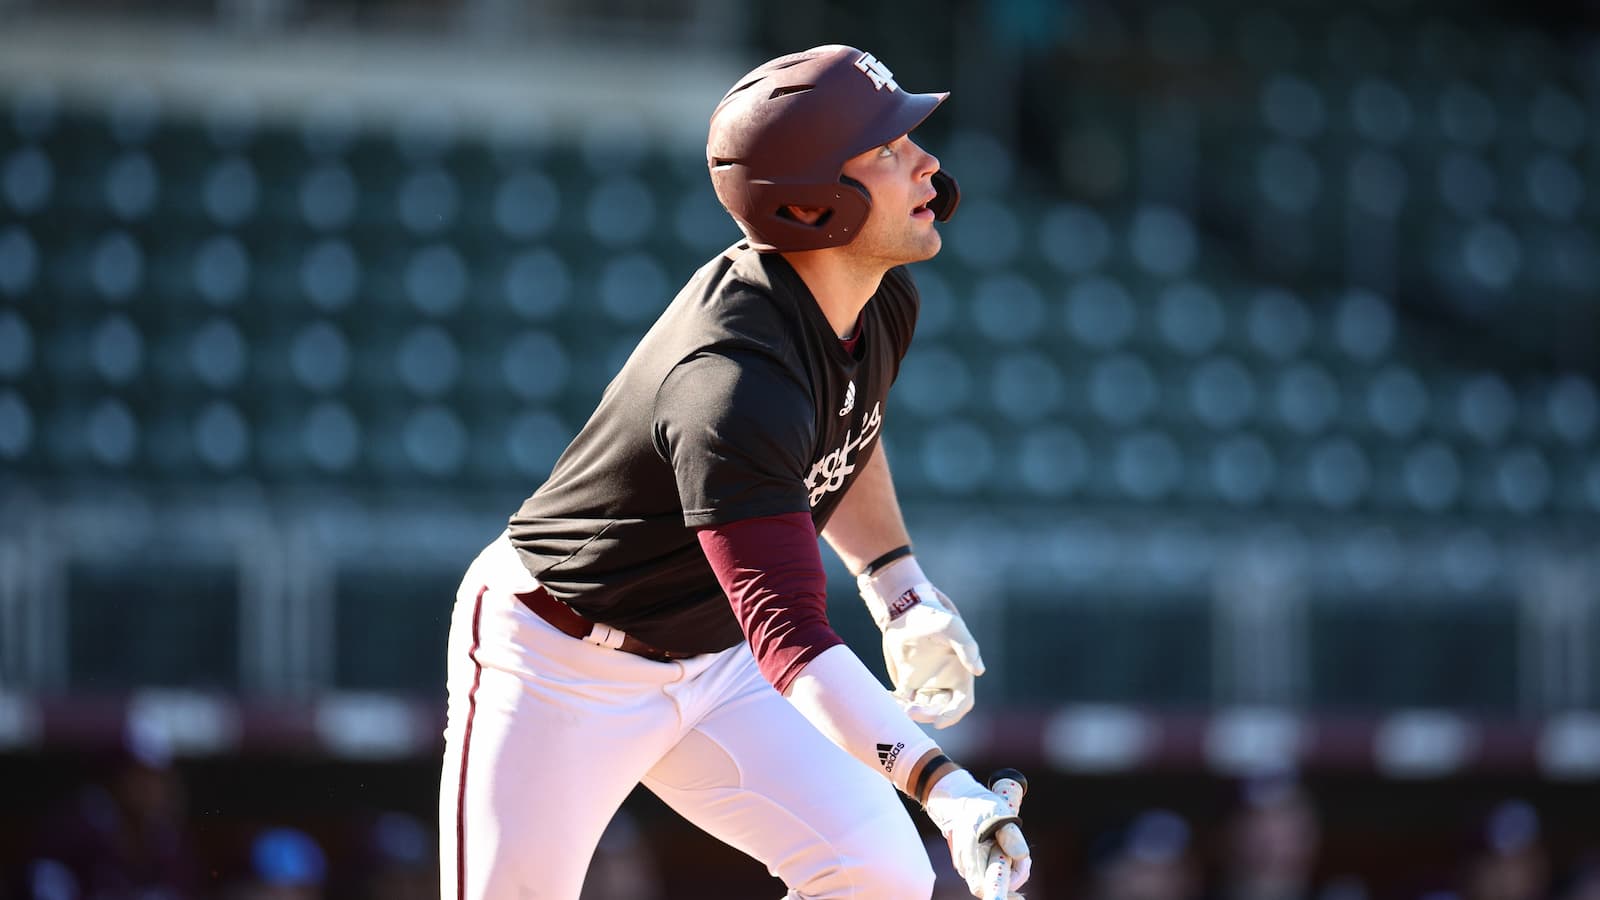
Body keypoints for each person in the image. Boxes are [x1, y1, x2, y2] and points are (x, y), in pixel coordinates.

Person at [439, 43, 1030, 899]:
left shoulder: (877, 293)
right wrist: (943, 787)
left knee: (880, 877)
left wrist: (898, 586)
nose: (927, 161)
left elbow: (842, 432)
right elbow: (792, 639)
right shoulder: (729, 382)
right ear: (815, 205)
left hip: (716, 658)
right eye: (890, 150)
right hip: (562, 660)